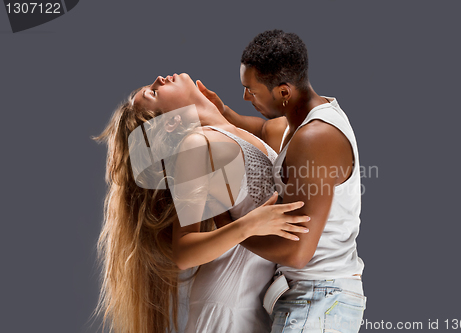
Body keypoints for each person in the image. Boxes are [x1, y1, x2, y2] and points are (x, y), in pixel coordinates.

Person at [93, 72, 311, 333]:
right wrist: (248, 226)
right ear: (172, 122)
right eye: (153, 92)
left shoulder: (233, 132)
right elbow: (184, 252)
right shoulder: (197, 145)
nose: (159, 79)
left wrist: (222, 111)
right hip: (226, 309)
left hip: (256, 304)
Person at [197, 29, 366, 332]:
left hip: (318, 299)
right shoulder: (302, 120)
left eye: (252, 90)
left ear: (284, 92)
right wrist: (222, 112)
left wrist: (229, 226)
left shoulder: (316, 138)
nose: (245, 97)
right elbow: (264, 130)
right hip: (317, 297)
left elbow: (297, 253)